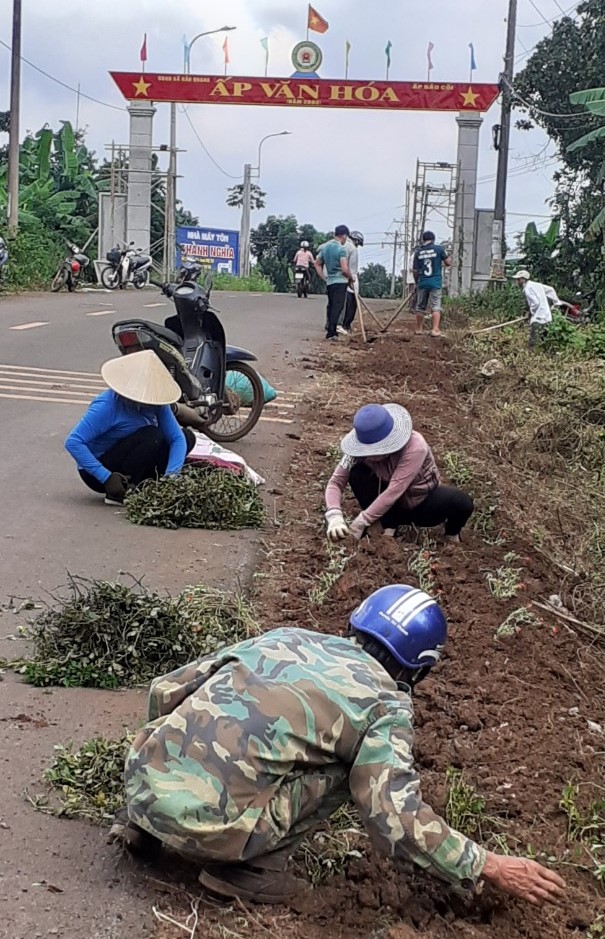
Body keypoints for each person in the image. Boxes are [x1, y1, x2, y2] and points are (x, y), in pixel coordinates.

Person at [110, 584, 566, 908]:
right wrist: (486, 865)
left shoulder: (286, 636)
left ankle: (145, 825)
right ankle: (246, 872)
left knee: (205, 712)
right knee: (355, 773)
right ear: (420, 668)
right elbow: (395, 819)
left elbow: (166, 690)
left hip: (139, 785)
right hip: (212, 831)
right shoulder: (387, 705)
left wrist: (161, 764)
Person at [325, 403, 473, 543]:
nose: (370, 455)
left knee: (461, 502)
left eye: (375, 450)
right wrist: (334, 516)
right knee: (357, 472)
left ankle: (452, 536)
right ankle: (387, 525)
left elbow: (395, 490)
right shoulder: (357, 449)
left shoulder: (415, 447)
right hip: (387, 502)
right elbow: (336, 482)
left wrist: (360, 522)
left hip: (419, 501)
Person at [65, 349, 195, 505]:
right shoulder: (108, 405)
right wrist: (105, 476)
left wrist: (171, 479)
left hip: (134, 456)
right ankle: (120, 491)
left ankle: (149, 485)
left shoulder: (157, 403)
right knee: (152, 435)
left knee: (188, 437)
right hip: (100, 471)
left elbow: (177, 439)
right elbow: (73, 442)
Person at [315, 225, 353, 341]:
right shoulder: (342, 249)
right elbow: (345, 269)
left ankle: (330, 331)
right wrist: (351, 278)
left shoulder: (325, 248)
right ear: (344, 235)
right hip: (340, 281)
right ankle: (331, 332)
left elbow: (317, 263)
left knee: (331, 306)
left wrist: (324, 277)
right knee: (338, 307)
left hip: (330, 282)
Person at [413, 231, 451, 337]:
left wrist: (417, 283)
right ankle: (435, 330)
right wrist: (449, 258)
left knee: (420, 307)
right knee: (435, 307)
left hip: (422, 282)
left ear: (423, 240)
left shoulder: (418, 252)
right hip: (435, 283)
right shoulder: (439, 249)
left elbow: (415, 270)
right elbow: (448, 263)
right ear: (433, 239)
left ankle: (419, 329)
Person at [512, 270, 561, 349]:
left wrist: (532, 313)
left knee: (533, 341)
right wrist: (556, 302)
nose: (517, 281)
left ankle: (532, 355)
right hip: (547, 316)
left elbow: (535, 303)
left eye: (518, 279)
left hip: (538, 318)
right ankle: (547, 353)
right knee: (545, 339)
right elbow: (551, 290)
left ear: (523, 279)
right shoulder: (537, 285)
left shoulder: (527, 289)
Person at [338, 230, 364, 336]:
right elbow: (352, 269)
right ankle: (345, 325)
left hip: (335, 279)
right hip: (347, 279)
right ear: (356, 241)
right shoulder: (352, 249)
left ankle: (332, 324)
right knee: (350, 304)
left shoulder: (339, 245)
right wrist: (351, 281)